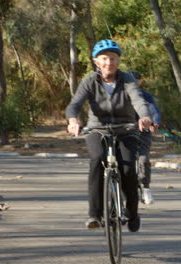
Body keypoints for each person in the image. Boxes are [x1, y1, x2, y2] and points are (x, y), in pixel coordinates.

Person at [66, 39, 152, 232]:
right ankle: (94, 215)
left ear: (118, 61)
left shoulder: (128, 79)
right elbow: (74, 105)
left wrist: (145, 117)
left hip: (126, 129)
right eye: (104, 59)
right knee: (97, 160)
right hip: (98, 130)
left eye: (113, 58)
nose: (109, 63)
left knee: (128, 170)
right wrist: (73, 121)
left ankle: (132, 211)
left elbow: (138, 100)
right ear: (97, 61)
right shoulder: (89, 81)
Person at [129, 71, 161, 205]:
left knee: (143, 159)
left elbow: (153, 110)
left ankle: (146, 188)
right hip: (125, 131)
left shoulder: (146, 96)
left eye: (137, 80)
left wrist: (154, 122)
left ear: (140, 82)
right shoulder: (122, 94)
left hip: (143, 132)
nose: (134, 83)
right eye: (131, 80)